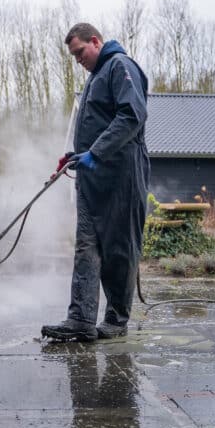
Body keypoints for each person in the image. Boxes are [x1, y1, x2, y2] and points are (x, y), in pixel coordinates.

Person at [42, 23, 149, 341]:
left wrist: (97, 153)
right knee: (86, 247)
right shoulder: (94, 78)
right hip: (92, 178)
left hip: (122, 176)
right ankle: (80, 320)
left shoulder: (120, 66)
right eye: (73, 57)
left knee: (119, 249)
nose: (78, 60)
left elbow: (132, 115)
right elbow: (100, 125)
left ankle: (116, 321)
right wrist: (76, 155)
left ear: (96, 41)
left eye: (80, 52)